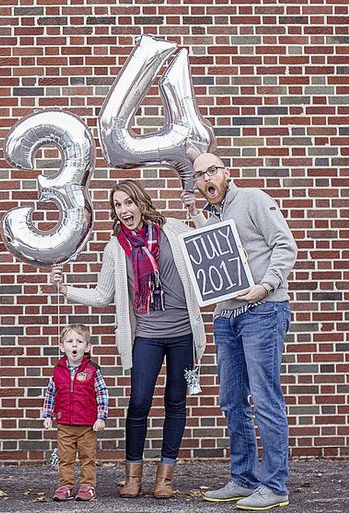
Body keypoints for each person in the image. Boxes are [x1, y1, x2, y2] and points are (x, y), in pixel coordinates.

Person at [50, 179, 206, 499]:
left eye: (128, 202)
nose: (123, 210)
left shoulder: (172, 229)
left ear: (140, 202)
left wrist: (196, 211)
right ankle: (133, 476)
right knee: (138, 403)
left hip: (183, 334)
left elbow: (207, 244)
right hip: (147, 334)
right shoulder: (116, 247)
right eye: (118, 205)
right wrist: (66, 290)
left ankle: (164, 477)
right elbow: (104, 294)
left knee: (176, 401)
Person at [182, 153, 297, 511]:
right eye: (200, 175)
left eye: (212, 171)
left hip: (263, 310)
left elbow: (286, 244)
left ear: (227, 173)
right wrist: (196, 218)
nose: (206, 178)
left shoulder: (253, 199)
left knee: (265, 399)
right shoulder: (211, 214)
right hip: (226, 316)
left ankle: (275, 485)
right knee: (232, 400)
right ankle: (243, 479)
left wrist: (266, 285)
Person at [41, 324, 108, 502]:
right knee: (65, 458)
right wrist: (47, 415)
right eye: (70, 341)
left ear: (87, 347)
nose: (74, 345)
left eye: (79, 342)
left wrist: (101, 417)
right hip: (64, 424)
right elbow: (50, 393)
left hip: (87, 425)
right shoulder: (58, 371)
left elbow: (102, 394)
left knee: (87, 457)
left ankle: (87, 486)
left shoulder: (93, 370)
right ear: (62, 347)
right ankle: (66, 486)